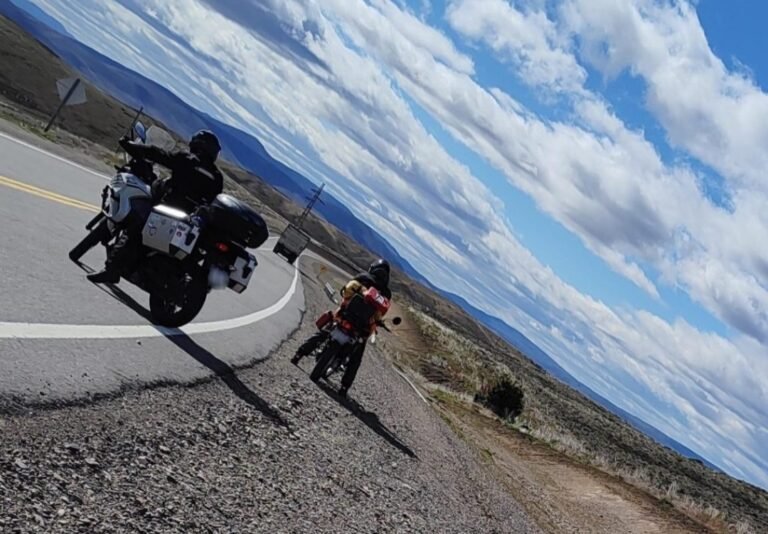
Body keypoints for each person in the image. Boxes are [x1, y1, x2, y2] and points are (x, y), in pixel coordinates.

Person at [87, 130, 224, 284]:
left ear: (197, 145)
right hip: (190, 221)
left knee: (136, 230)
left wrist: (133, 145)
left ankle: (111, 270)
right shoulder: (217, 177)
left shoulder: (187, 159)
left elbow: (158, 154)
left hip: (167, 210)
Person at [293, 259, 392, 397]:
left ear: (373, 268)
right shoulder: (386, 293)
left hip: (345, 316)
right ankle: (344, 387)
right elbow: (379, 315)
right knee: (356, 357)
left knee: (325, 332)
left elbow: (346, 292)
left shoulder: (363, 277)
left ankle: (299, 354)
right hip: (361, 328)